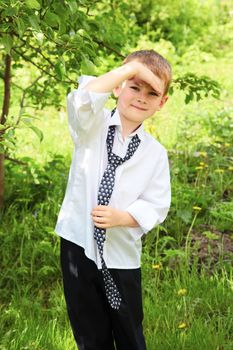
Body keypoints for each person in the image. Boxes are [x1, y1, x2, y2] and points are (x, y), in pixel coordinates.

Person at [55, 49, 172, 350]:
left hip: (121, 257)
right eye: (135, 86)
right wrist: (129, 68)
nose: (141, 97)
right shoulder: (90, 127)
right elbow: (82, 98)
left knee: (130, 332)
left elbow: (156, 203)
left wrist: (123, 218)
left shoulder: (155, 153)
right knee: (90, 333)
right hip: (78, 246)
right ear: (119, 87)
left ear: (162, 102)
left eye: (151, 92)